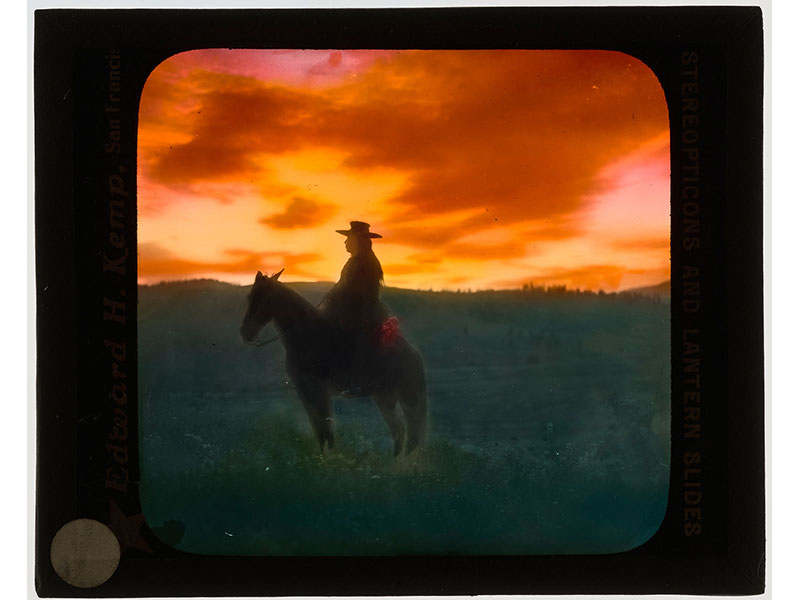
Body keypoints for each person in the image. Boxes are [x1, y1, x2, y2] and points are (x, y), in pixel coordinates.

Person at [319, 221, 389, 392]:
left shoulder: (363, 263)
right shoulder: (356, 261)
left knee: (349, 335)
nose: (345, 242)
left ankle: (358, 380)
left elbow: (351, 289)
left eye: (348, 238)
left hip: (362, 311)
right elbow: (342, 285)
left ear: (357, 240)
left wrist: (334, 297)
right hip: (352, 308)